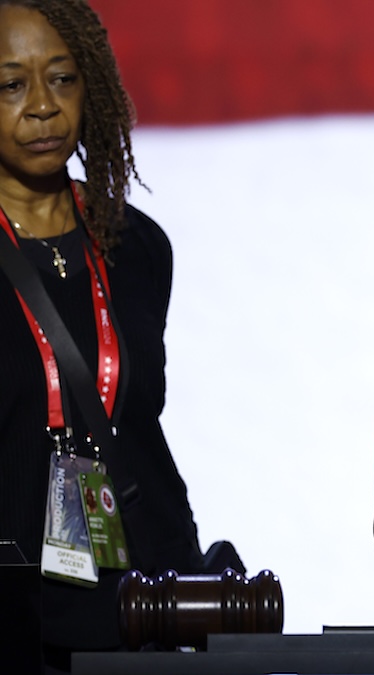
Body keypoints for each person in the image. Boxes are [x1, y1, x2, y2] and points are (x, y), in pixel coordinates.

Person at [0, 0, 212, 669]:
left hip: (140, 609)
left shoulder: (137, 245)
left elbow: (140, 425)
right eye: (10, 84)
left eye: (62, 78)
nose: (42, 106)